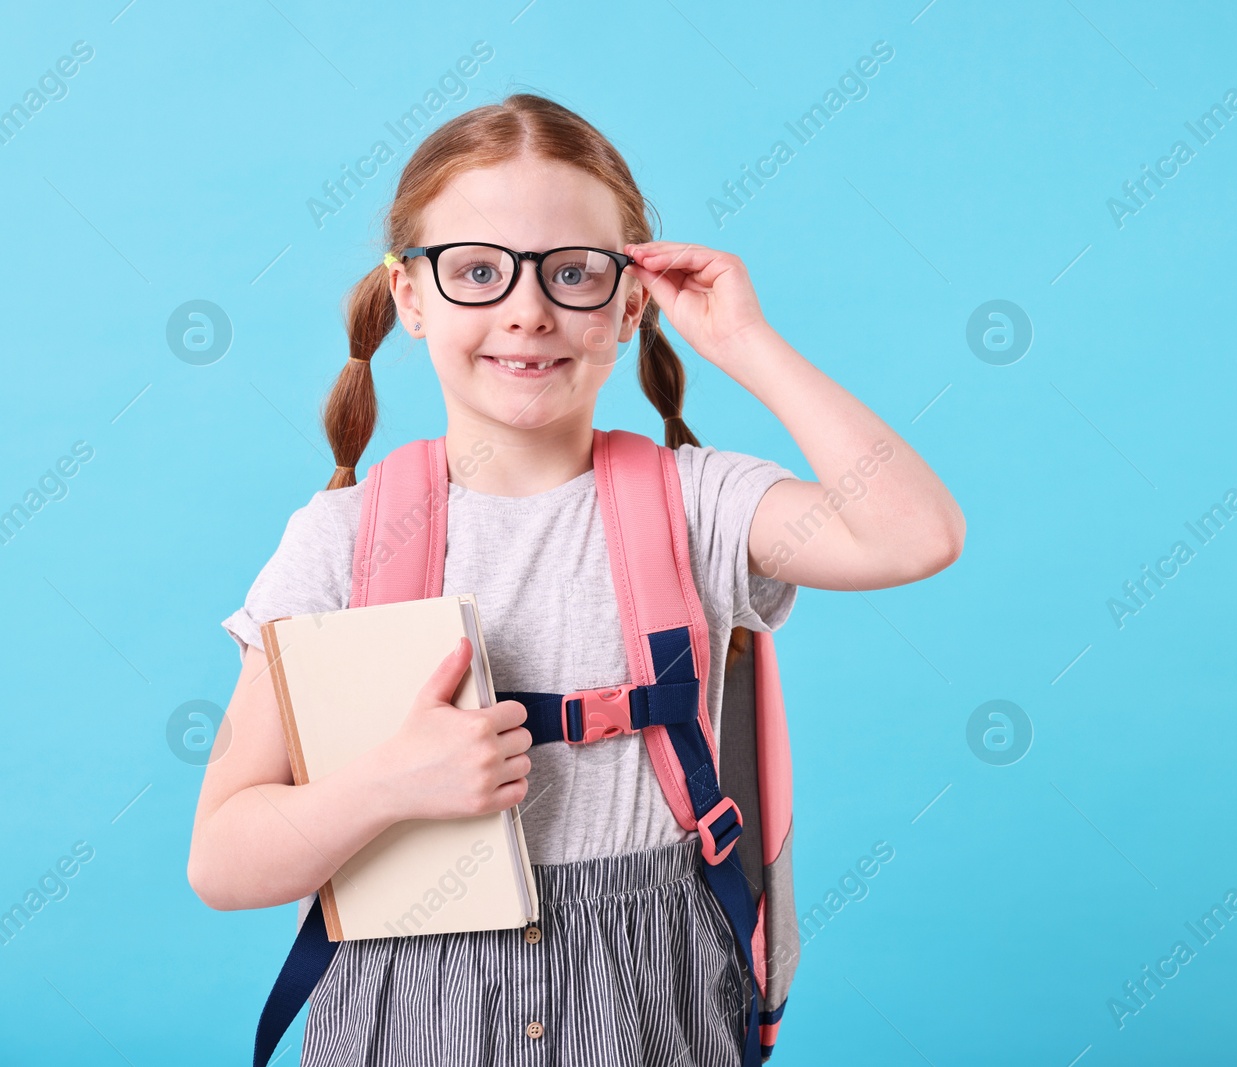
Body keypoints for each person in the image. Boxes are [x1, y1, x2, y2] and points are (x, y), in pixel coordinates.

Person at [187, 91, 964, 1066]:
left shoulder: (697, 504)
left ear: (632, 299)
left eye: (573, 273)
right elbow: (222, 855)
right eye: (477, 270)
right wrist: (386, 784)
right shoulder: (337, 540)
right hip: (406, 1007)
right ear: (411, 297)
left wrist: (745, 346)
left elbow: (916, 534)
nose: (528, 310)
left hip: (649, 1009)